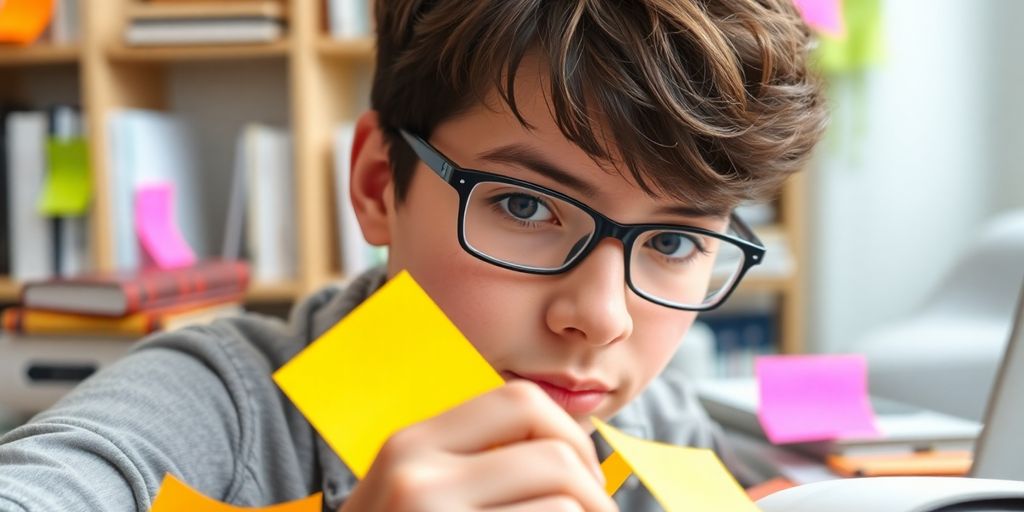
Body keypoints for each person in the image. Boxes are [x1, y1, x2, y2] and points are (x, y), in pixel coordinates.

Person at [0, 0, 827, 510]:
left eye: (676, 242)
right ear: (373, 184)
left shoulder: (650, 415)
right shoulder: (217, 412)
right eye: (526, 205)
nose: (602, 318)